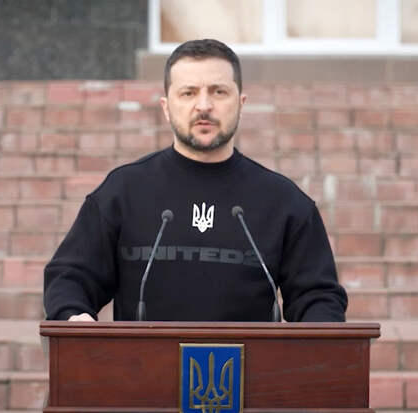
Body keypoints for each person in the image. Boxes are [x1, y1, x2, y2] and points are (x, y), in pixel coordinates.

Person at [43, 39, 347, 322]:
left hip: (253, 365)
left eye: (219, 92)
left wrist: (320, 334)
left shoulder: (283, 201)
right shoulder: (123, 192)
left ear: (241, 103)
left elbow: (318, 297)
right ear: (166, 107)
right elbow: (71, 278)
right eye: (188, 93)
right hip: (139, 364)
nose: (204, 105)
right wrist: (73, 317)